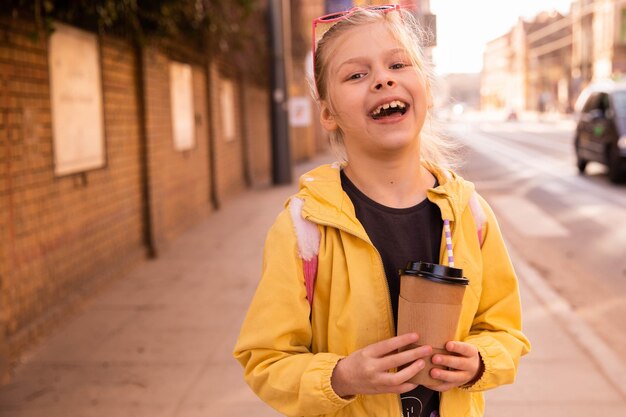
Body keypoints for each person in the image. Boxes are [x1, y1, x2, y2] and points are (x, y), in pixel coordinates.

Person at [233, 5, 530, 417]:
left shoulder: (470, 215)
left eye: (397, 64)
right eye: (356, 74)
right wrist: (340, 376)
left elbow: (504, 330)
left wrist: (480, 361)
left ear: (424, 85)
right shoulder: (305, 226)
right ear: (328, 113)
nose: (383, 78)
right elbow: (264, 359)